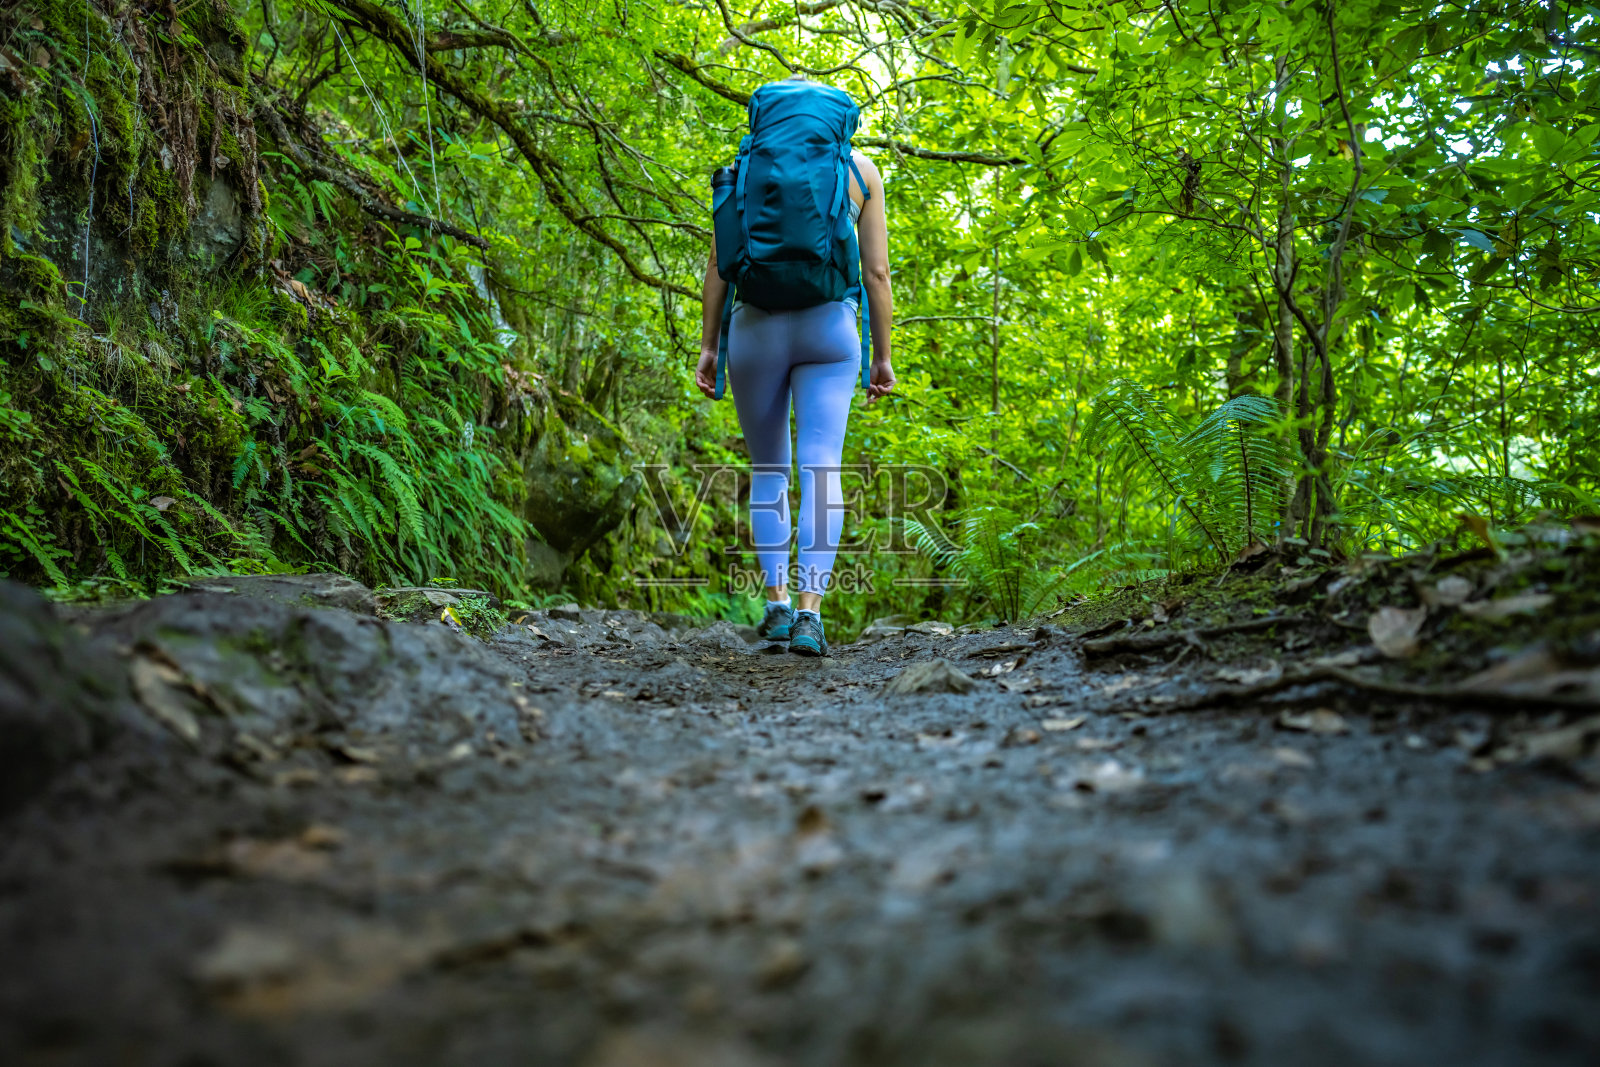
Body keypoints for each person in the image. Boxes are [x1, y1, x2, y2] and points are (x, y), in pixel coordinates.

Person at [695, 139, 895, 657]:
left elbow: (721, 263)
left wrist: (709, 346)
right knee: (822, 468)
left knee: (769, 471)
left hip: (754, 328)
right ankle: (810, 613)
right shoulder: (860, 169)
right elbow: (876, 273)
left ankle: (777, 605)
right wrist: (882, 357)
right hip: (829, 328)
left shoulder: (745, 168)